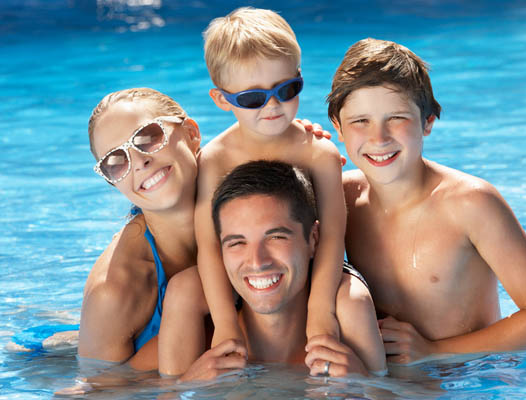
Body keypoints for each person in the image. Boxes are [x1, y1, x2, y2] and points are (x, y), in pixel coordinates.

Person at [326, 38, 526, 364]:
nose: (378, 138)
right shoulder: (340, 199)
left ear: (428, 122)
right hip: (392, 378)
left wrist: (434, 352)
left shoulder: (470, 204)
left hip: (475, 375)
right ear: (337, 127)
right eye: (360, 121)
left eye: (396, 118)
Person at [192, 7, 350, 364]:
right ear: (221, 100)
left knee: (353, 300)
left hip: (308, 271)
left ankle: (369, 383)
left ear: (299, 77)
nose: (273, 105)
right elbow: (207, 245)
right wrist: (225, 324)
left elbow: (332, 239)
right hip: (249, 272)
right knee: (184, 294)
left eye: (287, 89)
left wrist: (320, 311)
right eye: (252, 98)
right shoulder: (215, 159)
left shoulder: (318, 152)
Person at [180, 160, 386, 381]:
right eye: (237, 243)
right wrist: (186, 389)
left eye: (276, 237)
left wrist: (364, 387)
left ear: (313, 239)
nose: (257, 262)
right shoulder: (199, 343)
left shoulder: (353, 341)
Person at [79, 88, 208, 373]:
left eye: (148, 138)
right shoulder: (114, 292)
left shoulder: (245, 190)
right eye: (116, 162)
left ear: (191, 133)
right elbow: (100, 389)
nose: (139, 162)